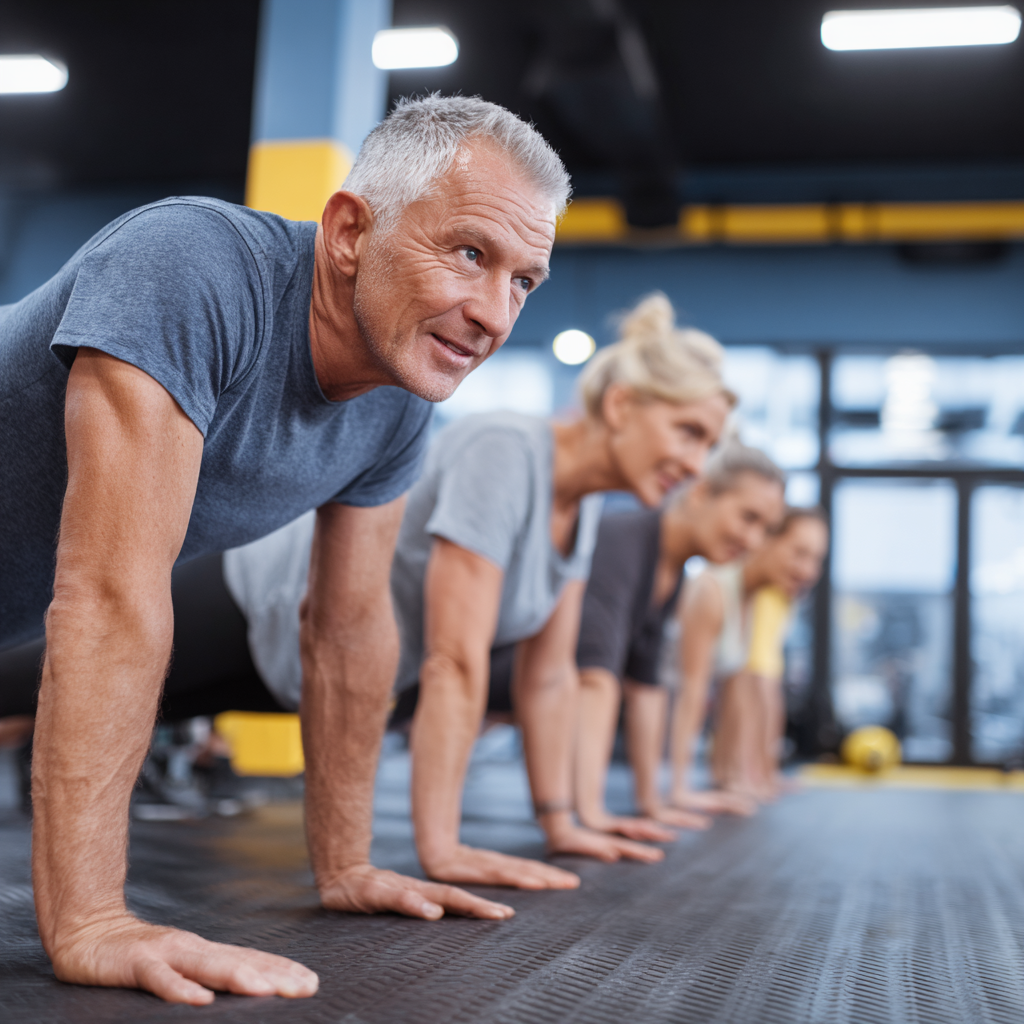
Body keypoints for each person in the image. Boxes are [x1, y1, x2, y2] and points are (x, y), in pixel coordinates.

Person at [0, 94, 569, 1005]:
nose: (493, 313)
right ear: (349, 230)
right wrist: (92, 919)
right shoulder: (189, 267)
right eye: (469, 253)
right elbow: (110, 593)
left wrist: (345, 864)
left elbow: (347, 630)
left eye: (522, 281)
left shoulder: (396, 401)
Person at [221, 292, 735, 889]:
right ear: (621, 405)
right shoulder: (506, 450)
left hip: (329, 672)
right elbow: (453, 659)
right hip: (248, 608)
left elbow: (547, 677)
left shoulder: (583, 506)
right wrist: (442, 850)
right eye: (690, 433)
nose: (698, 465)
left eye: (709, 446)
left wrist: (563, 822)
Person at [571, 443, 786, 840]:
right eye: (748, 518)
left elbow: (646, 688)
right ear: (701, 492)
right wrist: (591, 813)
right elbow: (594, 678)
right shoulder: (626, 540)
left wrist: (656, 802)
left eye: (765, 529)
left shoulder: (669, 568)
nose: (754, 541)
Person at [667, 507, 829, 808]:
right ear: (765, 541)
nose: (809, 572)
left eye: (816, 560)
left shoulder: (756, 598)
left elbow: (745, 687)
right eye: (799, 553)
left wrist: (747, 778)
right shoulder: (713, 588)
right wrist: (680, 789)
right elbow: (692, 691)